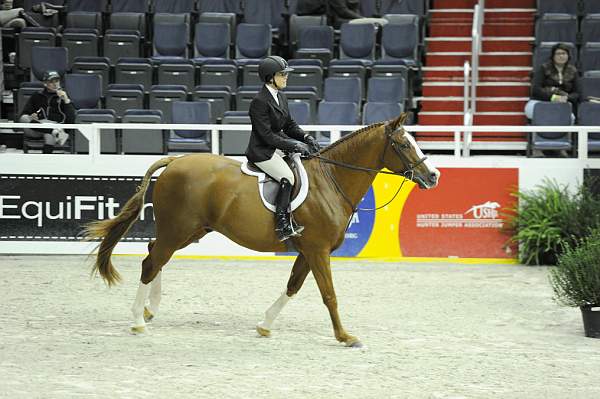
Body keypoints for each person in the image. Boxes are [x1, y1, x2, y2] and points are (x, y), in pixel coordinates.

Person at [245, 56, 321, 242]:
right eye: (282, 74)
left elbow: (289, 125)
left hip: (278, 147)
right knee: (287, 177)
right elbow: (266, 136)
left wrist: (305, 137)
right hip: (263, 151)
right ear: (270, 77)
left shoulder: (281, 97)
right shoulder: (259, 101)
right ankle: (282, 224)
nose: (286, 77)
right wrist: (294, 145)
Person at [19, 70, 75, 153]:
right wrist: (32, 116)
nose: (55, 84)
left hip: (57, 126)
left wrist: (66, 100)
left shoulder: (64, 97)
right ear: (45, 83)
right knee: (23, 118)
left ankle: (44, 162)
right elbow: (24, 114)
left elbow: (71, 120)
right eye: (51, 82)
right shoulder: (37, 95)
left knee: (50, 136)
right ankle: (52, 131)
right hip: (39, 126)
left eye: (57, 81)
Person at [525, 42, 580, 121]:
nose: (561, 56)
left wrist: (566, 97)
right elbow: (536, 89)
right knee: (529, 110)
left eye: (564, 53)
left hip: (563, 103)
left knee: (571, 118)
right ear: (553, 56)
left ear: (568, 55)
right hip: (542, 101)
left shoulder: (573, 71)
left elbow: (577, 93)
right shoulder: (543, 68)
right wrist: (554, 98)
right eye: (558, 54)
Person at [297, 0, 363, 28]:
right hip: (318, 19)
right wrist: (363, 19)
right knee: (355, 25)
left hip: (304, 18)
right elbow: (342, 11)